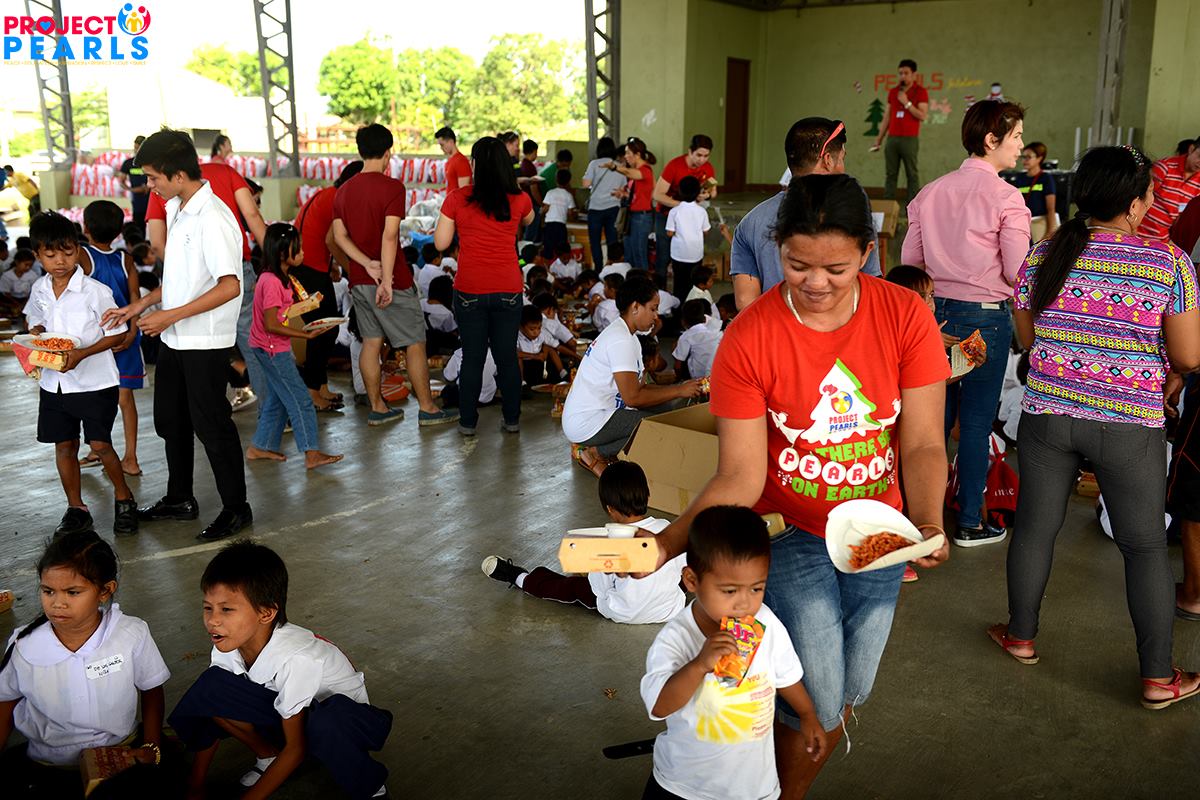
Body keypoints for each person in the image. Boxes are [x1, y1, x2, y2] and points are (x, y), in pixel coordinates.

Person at [641, 174, 950, 798]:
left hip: (880, 532)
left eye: (836, 268)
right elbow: (740, 474)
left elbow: (921, 443)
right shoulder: (750, 336)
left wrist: (928, 521)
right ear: (776, 247)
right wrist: (668, 544)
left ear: (867, 251)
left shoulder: (905, 316)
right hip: (789, 532)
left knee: (852, 687)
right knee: (820, 695)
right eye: (797, 264)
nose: (815, 283)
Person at [996, 145, 1200, 710]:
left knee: (1035, 529)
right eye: (1150, 195)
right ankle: (1157, 677)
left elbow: (1028, 338)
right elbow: (1188, 356)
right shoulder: (1167, 263)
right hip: (1128, 423)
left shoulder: (1044, 253)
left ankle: (1020, 636)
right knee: (1144, 546)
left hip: (1048, 415)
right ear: (1133, 204)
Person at [104, 128, 252, 542]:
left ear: (178, 174)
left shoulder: (214, 218)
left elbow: (229, 286)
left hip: (204, 341)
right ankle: (180, 497)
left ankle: (237, 508)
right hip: (175, 337)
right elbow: (182, 279)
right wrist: (143, 305)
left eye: (153, 177)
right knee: (171, 419)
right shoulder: (177, 208)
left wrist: (169, 315)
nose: (149, 186)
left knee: (212, 425)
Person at [168, 540, 393, 800]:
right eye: (208, 608)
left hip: (348, 726)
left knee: (325, 724)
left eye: (226, 609)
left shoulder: (298, 658)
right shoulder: (227, 642)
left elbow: (296, 749)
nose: (212, 620)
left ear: (266, 613)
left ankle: (371, 786)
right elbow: (211, 703)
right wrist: (195, 787)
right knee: (211, 689)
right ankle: (269, 756)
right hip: (294, 715)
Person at [903, 100, 1030, 547]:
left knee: (931, 425)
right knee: (975, 426)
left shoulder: (930, 192)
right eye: (1015, 137)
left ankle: (921, 519)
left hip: (933, 318)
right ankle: (971, 522)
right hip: (985, 322)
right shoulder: (1007, 198)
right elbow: (1017, 272)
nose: (1020, 146)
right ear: (991, 140)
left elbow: (911, 264)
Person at [640, 505, 824, 800]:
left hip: (751, 787)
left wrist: (807, 714)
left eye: (756, 588)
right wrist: (699, 665)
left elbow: (785, 674)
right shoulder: (676, 638)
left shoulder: (766, 623)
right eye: (729, 591)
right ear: (691, 580)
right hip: (684, 786)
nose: (744, 604)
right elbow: (659, 706)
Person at [0, 532, 170, 797]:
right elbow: (6, 700)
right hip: (48, 762)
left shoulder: (130, 633)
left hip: (120, 751)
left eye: (73, 592)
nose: (57, 603)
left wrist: (151, 746)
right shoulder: (24, 645)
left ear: (105, 591)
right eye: (48, 591)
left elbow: (151, 689)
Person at [332, 124, 457, 429]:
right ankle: (427, 408)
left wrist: (366, 264)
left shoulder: (344, 190)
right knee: (414, 342)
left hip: (360, 278)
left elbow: (339, 236)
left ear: (361, 151)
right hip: (393, 279)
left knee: (371, 342)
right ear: (388, 153)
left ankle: (377, 407)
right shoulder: (392, 187)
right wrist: (386, 280)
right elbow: (389, 237)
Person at [22, 212, 137, 537]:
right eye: (50, 255)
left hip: (94, 382)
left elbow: (118, 334)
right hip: (54, 383)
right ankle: (76, 507)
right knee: (64, 445)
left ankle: (124, 497)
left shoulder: (94, 291)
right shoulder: (40, 288)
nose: (60, 261)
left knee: (100, 444)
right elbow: (34, 320)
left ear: (78, 248)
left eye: (67, 252)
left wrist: (81, 354)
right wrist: (36, 331)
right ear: (38, 255)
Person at [482, 461, 687, 622]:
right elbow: (682, 568)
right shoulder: (667, 529)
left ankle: (519, 577)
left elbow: (599, 589)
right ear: (648, 496)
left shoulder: (607, 542)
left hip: (623, 612)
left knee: (570, 587)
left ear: (609, 509)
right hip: (669, 610)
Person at [146, 155, 268, 414]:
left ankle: (265, 408)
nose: (149, 183)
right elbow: (252, 215)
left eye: (151, 176)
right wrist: (276, 266)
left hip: (220, 280)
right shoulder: (224, 172)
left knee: (212, 356)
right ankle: (272, 410)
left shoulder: (166, 186)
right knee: (253, 342)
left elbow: (156, 243)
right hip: (240, 266)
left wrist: (187, 269)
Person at [434, 136, 534, 436]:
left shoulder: (457, 198)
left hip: (470, 289)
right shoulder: (519, 198)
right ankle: (512, 419)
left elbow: (440, 243)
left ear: (475, 164)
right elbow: (529, 219)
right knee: (506, 357)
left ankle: (467, 422)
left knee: (473, 357)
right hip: (508, 288)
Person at [730, 117, 881, 311]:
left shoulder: (751, 221)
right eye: (842, 158)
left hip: (773, 328)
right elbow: (870, 291)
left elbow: (746, 304)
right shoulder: (854, 213)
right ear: (828, 160)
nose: (816, 283)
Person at [563, 276, 702, 475]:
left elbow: (640, 388)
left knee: (667, 410)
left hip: (603, 410)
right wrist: (679, 390)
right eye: (653, 309)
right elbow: (633, 397)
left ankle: (605, 448)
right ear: (635, 307)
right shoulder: (620, 340)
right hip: (588, 419)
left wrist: (678, 389)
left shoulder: (630, 337)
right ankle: (595, 453)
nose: (656, 316)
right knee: (655, 427)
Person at [243, 223, 343, 470]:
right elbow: (271, 324)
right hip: (271, 349)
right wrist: (305, 334)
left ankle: (260, 446)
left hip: (267, 346)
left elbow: (280, 314)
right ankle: (311, 452)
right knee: (302, 399)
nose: (303, 253)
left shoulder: (280, 278)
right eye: (297, 249)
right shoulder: (272, 282)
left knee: (277, 398)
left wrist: (308, 308)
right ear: (281, 254)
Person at [77, 200, 145, 478]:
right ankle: (131, 458)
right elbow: (135, 297)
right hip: (126, 334)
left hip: (97, 339)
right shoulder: (125, 258)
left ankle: (97, 448)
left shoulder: (82, 255)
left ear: (85, 228)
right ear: (119, 232)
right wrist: (132, 331)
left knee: (93, 396)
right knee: (125, 399)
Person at [295, 160, 364, 412]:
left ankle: (321, 386)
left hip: (311, 268)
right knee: (321, 330)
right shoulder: (337, 200)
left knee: (329, 328)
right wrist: (352, 271)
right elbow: (332, 240)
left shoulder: (328, 194)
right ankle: (312, 392)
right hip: (308, 270)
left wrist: (331, 265)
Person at [653, 134, 717, 276]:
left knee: (688, 257)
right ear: (690, 151)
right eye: (699, 155)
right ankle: (660, 287)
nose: (702, 160)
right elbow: (657, 195)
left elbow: (713, 192)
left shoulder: (708, 168)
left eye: (706, 156)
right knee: (663, 256)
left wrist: (706, 195)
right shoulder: (674, 166)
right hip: (666, 214)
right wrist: (684, 205)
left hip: (690, 217)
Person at [871, 59, 930, 200]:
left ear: (914, 75)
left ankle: (912, 207)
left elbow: (922, 116)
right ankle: (888, 206)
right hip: (892, 139)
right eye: (900, 73)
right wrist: (879, 139)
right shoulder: (893, 92)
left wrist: (907, 103)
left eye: (906, 73)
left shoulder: (920, 91)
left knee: (912, 174)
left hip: (910, 139)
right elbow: (887, 117)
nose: (902, 76)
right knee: (890, 174)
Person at [1137, 136, 1200, 240]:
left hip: (1163, 240)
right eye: (1199, 156)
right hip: (1138, 234)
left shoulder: (1198, 184)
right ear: (1191, 149)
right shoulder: (1165, 168)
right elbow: (1138, 197)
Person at [665, 175, 711, 304]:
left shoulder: (674, 211)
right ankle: (693, 308)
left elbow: (670, 233)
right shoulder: (701, 211)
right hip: (696, 254)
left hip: (679, 254)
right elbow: (706, 231)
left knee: (679, 283)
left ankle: (679, 309)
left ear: (679, 192)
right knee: (694, 284)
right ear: (697, 193)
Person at [612, 139, 656, 270]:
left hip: (641, 217)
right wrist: (624, 194)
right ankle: (631, 280)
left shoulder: (645, 170)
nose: (625, 156)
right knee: (629, 253)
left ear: (637, 155)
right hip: (632, 216)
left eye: (628, 153)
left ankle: (641, 281)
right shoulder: (635, 171)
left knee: (639, 254)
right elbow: (637, 195)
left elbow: (628, 172)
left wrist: (614, 167)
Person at [582, 137, 625, 267]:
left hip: (595, 209)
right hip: (613, 208)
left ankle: (599, 269)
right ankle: (612, 268)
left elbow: (586, 184)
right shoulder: (619, 166)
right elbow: (624, 188)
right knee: (612, 241)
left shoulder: (594, 164)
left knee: (595, 242)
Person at [516, 303, 568, 388]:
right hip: (525, 365)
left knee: (550, 347)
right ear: (521, 327)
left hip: (540, 363)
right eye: (532, 329)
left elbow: (556, 346)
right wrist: (535, 356)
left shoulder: (542, 333)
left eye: (539, 328)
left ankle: (561, 372)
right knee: (518, 359)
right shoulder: (516, 336)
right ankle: (522, 382)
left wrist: (544, 351)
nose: (536, 332)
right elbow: (514, 353)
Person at [1015, 141, 1058, 242]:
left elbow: (1051, 208)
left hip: (1039, 225)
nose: (1025, 160)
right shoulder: (1019, 178)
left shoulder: (1046, 178)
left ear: (1039, 158)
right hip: (1023, 225)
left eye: (1028, 157)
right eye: (1023, 157)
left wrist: (1050, 231)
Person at [672, 298, 723, 380]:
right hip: (718, 374)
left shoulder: (686, 336)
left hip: (698, 378)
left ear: (683, 321)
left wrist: (679, 379)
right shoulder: (717, 325)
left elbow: (678, 365)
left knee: (677, 349)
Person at [442, 345, 496, 410]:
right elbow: (496, 373)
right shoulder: (494, 353)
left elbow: (448, 377)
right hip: (488, 397)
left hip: (467, 398)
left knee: (447, 390)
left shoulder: (459, 353)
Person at [541, 169, 576, 260]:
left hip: (549, 226)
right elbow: (570, 213)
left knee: (548, 249)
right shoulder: (569, 195)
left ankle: (548, 265)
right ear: (568, 181)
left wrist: (541, 217)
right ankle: (560, 265)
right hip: (561, 226)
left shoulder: (550, 193)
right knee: (561, 250)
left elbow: (545, 209)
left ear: (556, 179)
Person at [117, 136, 151, 227]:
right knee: (138, 226)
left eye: (139, 148)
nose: (137, 151)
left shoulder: (152, 163)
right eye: (136, 148)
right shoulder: (128, 163)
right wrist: (131, 189)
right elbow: (121, 180)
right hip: (137, 202)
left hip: (151, 200)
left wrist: (148, 187)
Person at [422, 274, 459, 356]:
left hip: (419, 340)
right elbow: (452, 333)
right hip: (437, 348)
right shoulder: (446, 313)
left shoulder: (420, 303)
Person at [0, 248, 38, 313]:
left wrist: (24, 303)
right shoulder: (7, 276)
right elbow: (7, 294)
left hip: (27, 298)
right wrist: (17, 304)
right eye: (26, 265)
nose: (28, 267)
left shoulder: (33, 275)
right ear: (17, 262)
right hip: (11, 299)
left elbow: (33, 292)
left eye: (30, 265)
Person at [520, 139, 543, 241]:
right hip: (532, 203)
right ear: (533, 151)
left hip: (525, 202)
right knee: (531, 232)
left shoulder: (522, 164)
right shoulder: (530, 167)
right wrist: (541, 203)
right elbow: (534, 189)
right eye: (536, 152)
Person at [436, 126, 472, 192]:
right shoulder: (450, 160)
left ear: (451, 142)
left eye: (442, 145)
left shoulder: (461, 161)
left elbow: (463, 191)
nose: (441, 148)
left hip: (456, 198)